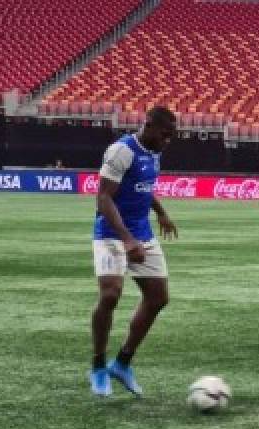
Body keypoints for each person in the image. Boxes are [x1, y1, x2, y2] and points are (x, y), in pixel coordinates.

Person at [89, 106, 178, 397]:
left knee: (158, 298)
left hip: (142, 233)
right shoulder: (120, 151)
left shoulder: (155, 152)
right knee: (110, 294)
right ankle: (98, 366)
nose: (168, 141)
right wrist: (126, 239)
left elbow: (143, 187)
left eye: (171, 137)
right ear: (148, 125)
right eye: (165, 135)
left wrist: (162, 212)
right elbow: (103, 197)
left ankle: (123, 363)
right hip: (111, 235)